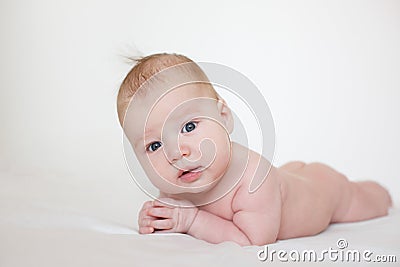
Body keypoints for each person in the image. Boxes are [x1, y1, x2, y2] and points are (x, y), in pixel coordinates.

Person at [117, 53, 392, 246]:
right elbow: (173, 216)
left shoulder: (252, 179)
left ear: (224, 116)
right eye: (154, 145)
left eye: (189, 127)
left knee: (363, 200)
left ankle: (381, 194)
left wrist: (192, 221)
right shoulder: (176, 183)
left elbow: (253, 240)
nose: (177, 153)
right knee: (287, 176)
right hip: (284, 180)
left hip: (323, 194)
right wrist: (157, 220)